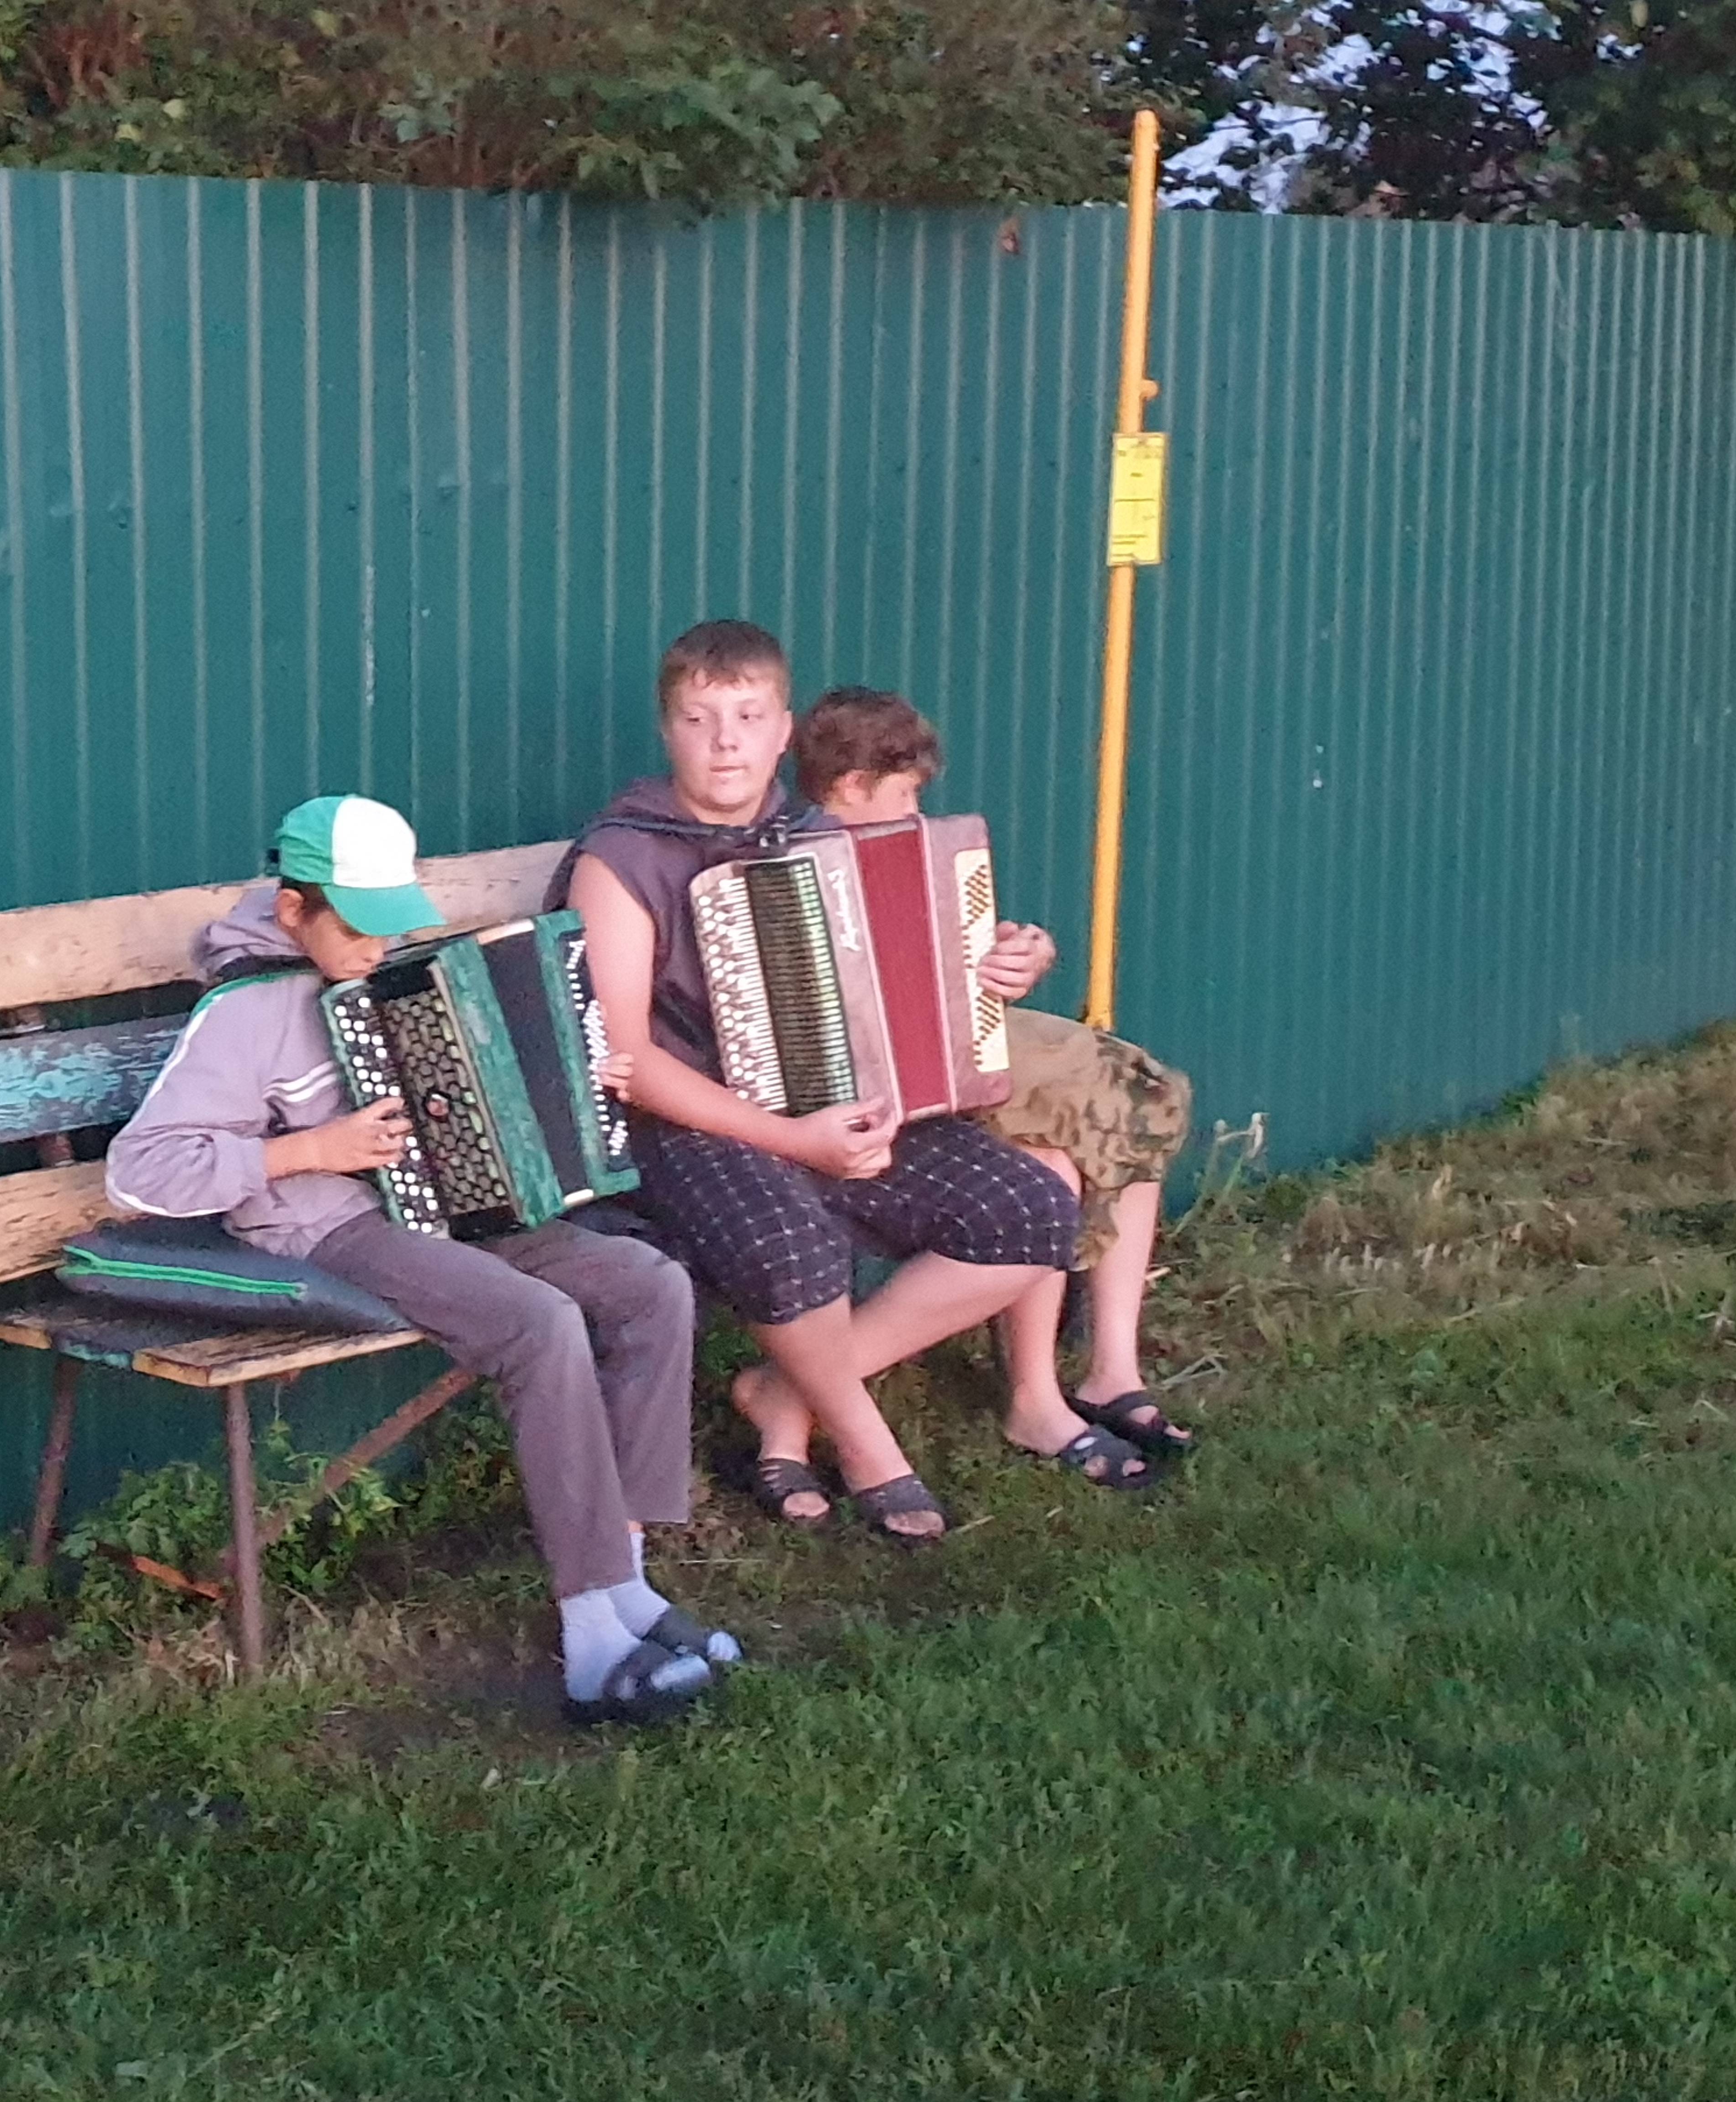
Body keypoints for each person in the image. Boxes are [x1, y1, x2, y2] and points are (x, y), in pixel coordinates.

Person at [103, 794, 737, 1725]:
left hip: (444, 1206)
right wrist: (305, 1151)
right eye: (358, 928)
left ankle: (627, 1582)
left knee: (649, 1285)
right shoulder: (245, 1012)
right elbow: (138, 1169)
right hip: (327, 1228)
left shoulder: (392, 978)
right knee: (538, 1322)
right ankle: (590, 1639)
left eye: (388, 924)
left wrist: (573, 1069)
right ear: (293, 911)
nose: (374, 948)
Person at [559, 621, 1136, 1546]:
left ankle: (785, 1392)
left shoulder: (817, 834)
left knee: (1032, 1213)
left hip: (837, 1101)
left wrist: (1003, 962)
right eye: (699, 719)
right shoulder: (621, 859)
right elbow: (630, 1060)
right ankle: (868, 1444)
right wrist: (795, 1140)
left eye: (747, 717)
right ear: (667, 731)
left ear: (783, 731)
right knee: (792, 1244)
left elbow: (914, 965)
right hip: (686, 1126)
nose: (725, 741)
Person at [796, 686, 1203, 1463]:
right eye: (906, 793)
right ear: (851, 788)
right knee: (1092, 1124)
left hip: (955, 1043)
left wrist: (1023, 953)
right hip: (882, 1087)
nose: (918, 815)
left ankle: (1109, 1370)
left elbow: (975, 956)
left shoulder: (919, 853)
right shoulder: (790, 862)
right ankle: (1059, 1391)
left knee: (1128, 1096)